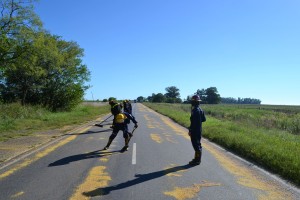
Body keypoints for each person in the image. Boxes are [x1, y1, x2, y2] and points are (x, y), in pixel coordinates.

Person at [188, 95, 206, 165]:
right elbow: (204, 119)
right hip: (199, 130)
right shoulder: (200, 110)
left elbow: (193, 123)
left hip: (195, 131)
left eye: (192, 101)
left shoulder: (195, 110)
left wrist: (190, 130)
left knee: (196, 145)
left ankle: (197, 160)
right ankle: (197, 159)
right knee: (198, 145)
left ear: (193, 102)